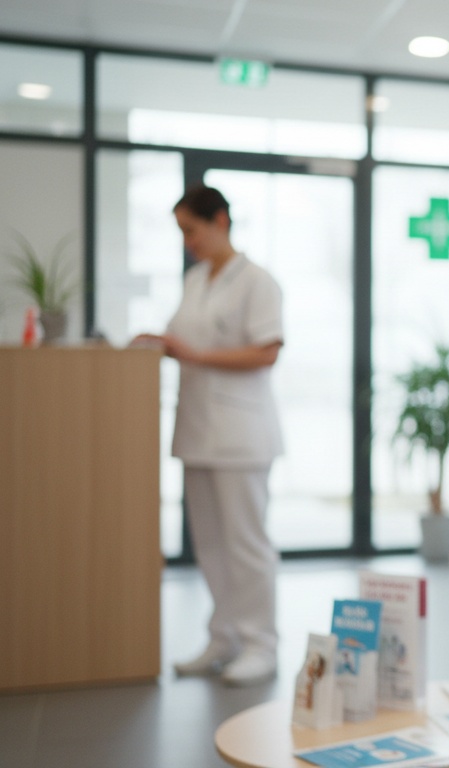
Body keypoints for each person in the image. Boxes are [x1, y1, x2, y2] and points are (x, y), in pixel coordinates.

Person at [134, 184, 285, 687]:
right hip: (197, 428)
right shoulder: (196, 280)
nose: (187, 242)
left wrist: (193, 355)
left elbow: (266, 352)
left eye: (191, 230)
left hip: (242, 433)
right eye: (182, 233)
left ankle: (261, 643)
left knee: (246, 543)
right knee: (212, 544)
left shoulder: (257, 281)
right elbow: (189, 339)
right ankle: (224, 637)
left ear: (219, 220)